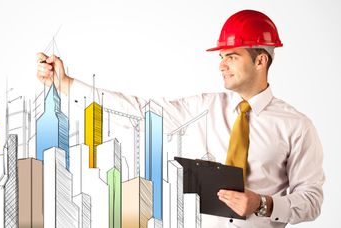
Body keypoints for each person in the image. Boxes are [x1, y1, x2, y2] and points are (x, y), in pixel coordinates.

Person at [36, 9, 324, 228]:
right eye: (221, 56)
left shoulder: (296, 126)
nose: (221, 64)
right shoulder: (203, 108)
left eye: (232, 56)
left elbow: (311, 200)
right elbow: (139, 110)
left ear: (260, 60)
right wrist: (67, 84)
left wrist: (262, 203)